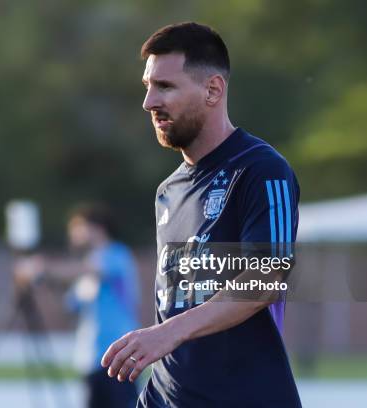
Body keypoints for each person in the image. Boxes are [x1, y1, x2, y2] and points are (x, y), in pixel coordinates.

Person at [100, 22, 302, 407]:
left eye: (165, 86)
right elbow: (177, 302)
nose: (149, 102)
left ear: (213, 90)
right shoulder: (168, 191)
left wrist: (167, 333)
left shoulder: (261, 169)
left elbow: (266, 277)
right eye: (148, 87)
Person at [16, 203, 140, 408]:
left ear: (97, 228)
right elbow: (67, 309)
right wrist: (45, 283)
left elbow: (88, 270)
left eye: (78, 227)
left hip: (120, 356)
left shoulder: (116, 255)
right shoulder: (87, 270)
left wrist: (43, 267)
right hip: (92, 359)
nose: (73, 234)